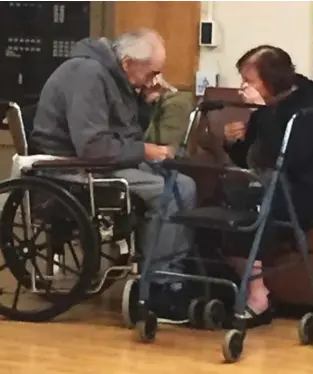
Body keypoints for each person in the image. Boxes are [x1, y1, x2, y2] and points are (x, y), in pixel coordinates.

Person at [30, 29, 196, 324]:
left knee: (184, 183)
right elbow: (93, 147)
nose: (155, 78)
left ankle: (169, 277)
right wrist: (145, 150)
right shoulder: (89, 75)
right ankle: (158, 286)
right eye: (153, 72)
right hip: (72, 169)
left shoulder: (115, 77)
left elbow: (124, 133)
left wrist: (145, 102)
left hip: (101, 163)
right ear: (129, 62)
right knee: (167, 191)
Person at [223, 45, 313, 328]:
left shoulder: (311, 107)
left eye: (249, 81)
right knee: (225, 203)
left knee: (255, 207)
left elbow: (287, 158)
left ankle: (257, 298)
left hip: (312, 186)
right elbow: (252, 158)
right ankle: (255, 291)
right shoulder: (266, 107)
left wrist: (263, 112)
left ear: (272, 79)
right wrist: (233, 144)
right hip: (270, 184)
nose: (242, 87)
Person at [138, 74, 194, 149]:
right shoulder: (138, 99)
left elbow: (164, 144)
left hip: (162, 154)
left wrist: (146, 105)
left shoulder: (176, 104)